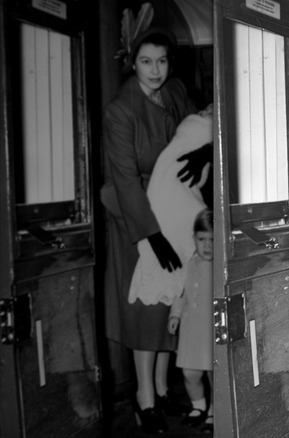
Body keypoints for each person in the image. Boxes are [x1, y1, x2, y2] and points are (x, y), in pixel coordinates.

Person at [101, 25, 203, 433]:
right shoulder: (120, 110)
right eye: (146, 61)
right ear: (133, 63)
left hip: (174, 207)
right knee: (145, 308)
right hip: (137, 214)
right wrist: (151, 235)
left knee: (170, 300)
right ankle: (143, 398)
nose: (155, 70)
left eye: (161, 60)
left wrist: (206, 151)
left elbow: (203, 123)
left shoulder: (174, 92)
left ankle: (161, 390)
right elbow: (125, 179)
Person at [168, 208, 214, 433]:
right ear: (194, 238)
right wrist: (175, 315)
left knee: (215, 373)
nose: (207, 245)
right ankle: (199, 406)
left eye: (213, 240)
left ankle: (215, 410)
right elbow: (181, 294)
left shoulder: (220, 267)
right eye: (202, 239)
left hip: (211, 331)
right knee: (190, 373)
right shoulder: (189, 263)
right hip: (191, 330)